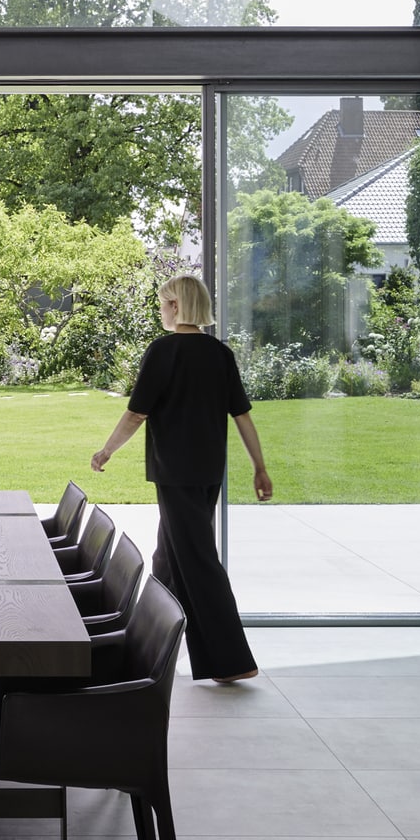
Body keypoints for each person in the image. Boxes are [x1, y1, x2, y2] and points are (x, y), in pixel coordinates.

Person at [88, 272, 270, 683]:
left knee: (198, 561)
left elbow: (136, 413)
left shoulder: (164, 351)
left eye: (162, 302)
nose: (159, 310)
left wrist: (106, 451)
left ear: (176, 306)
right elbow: (241, 416)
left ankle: (233, 660)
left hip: (175, 473)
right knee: (167, 561)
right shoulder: (219, 354)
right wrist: (260, 467)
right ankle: (145, 643)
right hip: (206, 473)